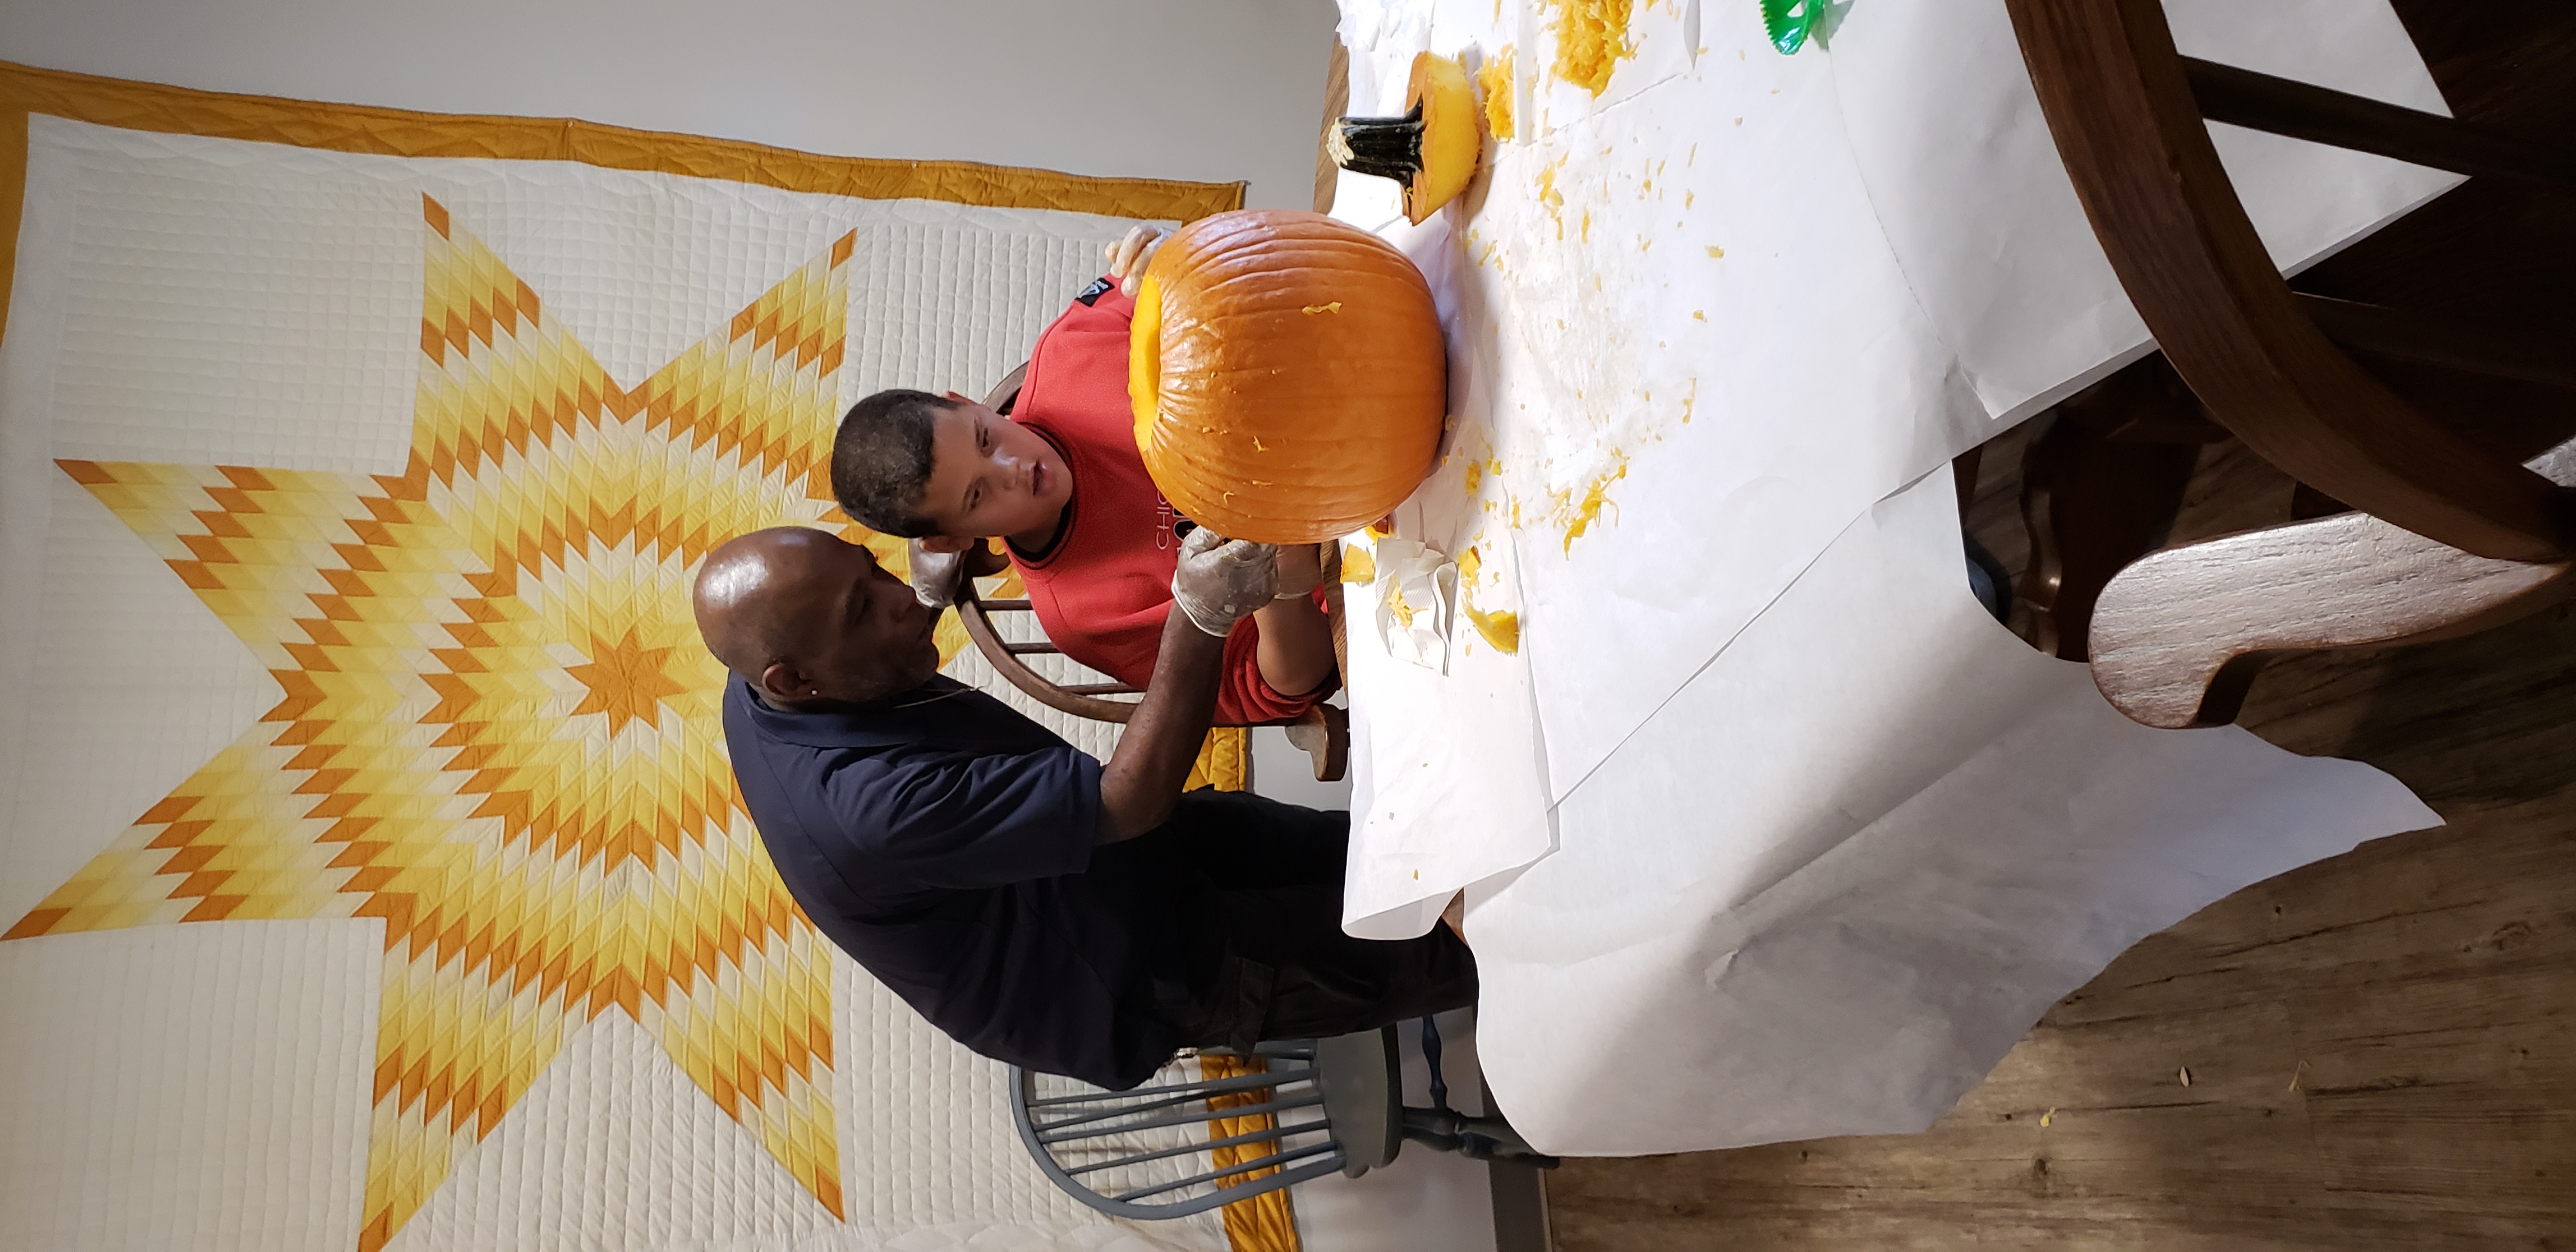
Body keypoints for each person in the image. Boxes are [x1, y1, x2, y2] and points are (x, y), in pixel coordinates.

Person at [693, 524, 1475, 1089]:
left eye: (872, 570)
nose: (896, 598)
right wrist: (1200, 614)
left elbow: (863, 643)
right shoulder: (866, 816)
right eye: (863, 612)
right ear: (792, 679)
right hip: (1140, 967)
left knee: (1403, 849)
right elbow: (1126, 799)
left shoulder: (764, 676)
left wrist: (928, 597)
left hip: (1142, 855)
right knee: (1448, 944)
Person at [827, 226, 1338, 727]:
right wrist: (1282, 593)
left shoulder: (1077, 343)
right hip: (1353, 583)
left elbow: (1212, 278)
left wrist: (1177, 258)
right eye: (978, 496)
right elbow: (1286, 689)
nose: (1016, 469)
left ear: (966, 404)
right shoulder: (1083, 618)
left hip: (1340, 395)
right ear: (952, 537)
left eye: (986, 438)